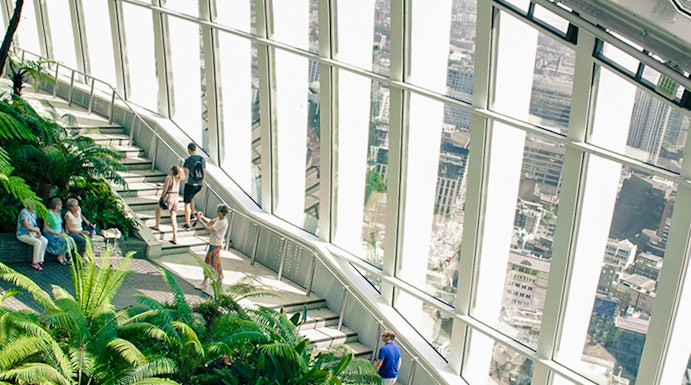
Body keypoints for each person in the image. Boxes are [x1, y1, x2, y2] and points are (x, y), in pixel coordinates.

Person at [196, 204, 229, 289]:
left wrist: (200, 221)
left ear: (221, 213)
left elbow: (209, 229)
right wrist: (202, 217)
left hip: (216, 244)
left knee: (209, 262)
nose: (216, 212)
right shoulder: (220, 219)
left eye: (218, 211)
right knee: (215, 262)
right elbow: (211, 221)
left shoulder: (222, 222)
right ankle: (219, 278)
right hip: (214, 243)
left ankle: (205, 282)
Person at [153, 165, 185, 244]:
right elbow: (173, 186)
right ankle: (175, 237)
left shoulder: (168, 177)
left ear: (171, 170)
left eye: (170, 168)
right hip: (175, 198)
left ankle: (157, 225)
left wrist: (161, 197)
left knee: (158, 208)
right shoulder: (178, 178)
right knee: (173, 218)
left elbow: (165, 189)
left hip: (168, 197)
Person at [16, 200, 48, 271]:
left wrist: (37, 231)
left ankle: (40, 259)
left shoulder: (34, 212)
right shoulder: (24, 212)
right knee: (38, 242)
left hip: (32, 233)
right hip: (23, 234)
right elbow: (27, 226)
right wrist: (36, 230)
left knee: (44, 240)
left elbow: (34, 224)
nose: (34, 205)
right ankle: (35, 263)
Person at [43, 198, 73, 265]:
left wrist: (63, 232)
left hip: (59, 233)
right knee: (63, 240)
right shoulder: (49, 214)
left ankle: (63, 255)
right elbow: (46, 228)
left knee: (70, 239)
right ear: (56, 205)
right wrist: (57, 234)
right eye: (60, 205)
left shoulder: (59, 213)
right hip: (51, 234)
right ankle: (59, 256)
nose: (61, 206)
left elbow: (60, 224)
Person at [182, 142, 206, 229]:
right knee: (191, 197)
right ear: (195, 149)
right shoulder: (202, 159)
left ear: (189, 149)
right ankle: (192, 213)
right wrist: (201, 183)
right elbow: (204, 172)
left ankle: (187, 223)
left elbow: (184, 174)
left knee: (186, 204)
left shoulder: (188, 160)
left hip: (190, 184)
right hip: (199, 184)